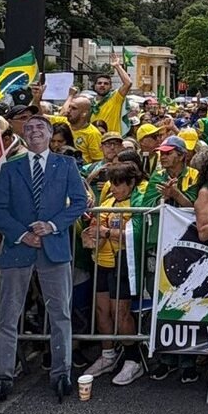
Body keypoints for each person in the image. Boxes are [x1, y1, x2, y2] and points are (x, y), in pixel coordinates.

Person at [0, 116, 88, 405]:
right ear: (23, 135)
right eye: (28, 128)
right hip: (19, 249)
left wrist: (52, 226)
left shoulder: (66, 165)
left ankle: (61, 372)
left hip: (53, 247)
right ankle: (2, 376)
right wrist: (22, 234)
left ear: (51, 134)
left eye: (40, 127)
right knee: (8, 315)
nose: (34, 132)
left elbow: (79, 202)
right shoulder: (9, 167)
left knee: (60, 313)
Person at [81, 161, 146, 387]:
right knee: (102, 311)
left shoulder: (137, 202)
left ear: (131, 183)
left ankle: (132, 359)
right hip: (102, 261)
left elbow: (136, 234)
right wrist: (91, 236)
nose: (115, 188)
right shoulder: (107, 202)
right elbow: (95, 229)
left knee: (121, 312)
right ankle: (107, 355)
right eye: (112, 183)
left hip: (123, 262)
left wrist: (107, 232)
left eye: (119, 184)